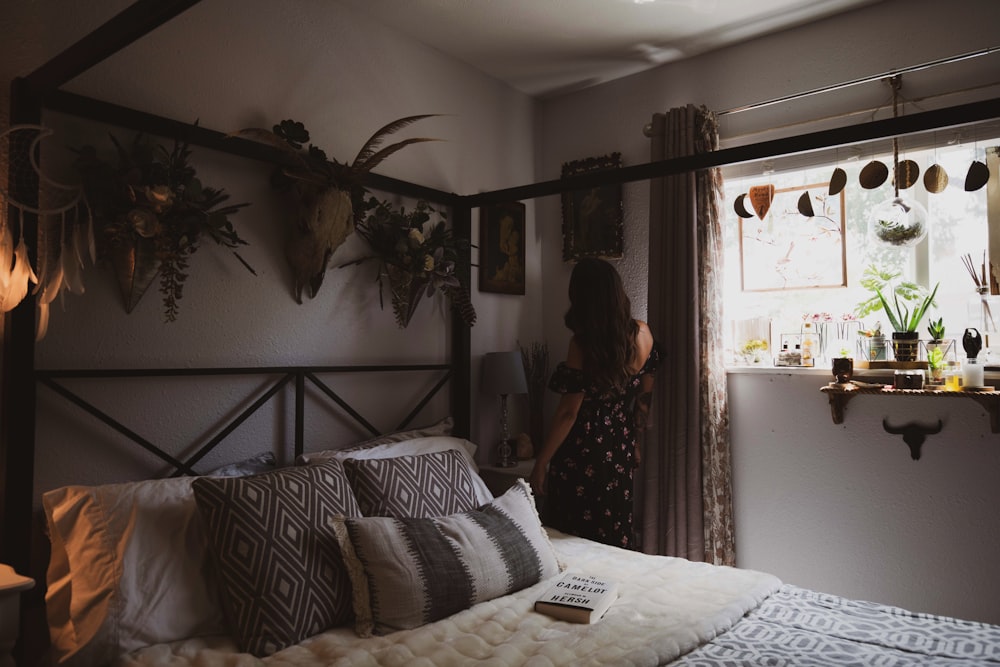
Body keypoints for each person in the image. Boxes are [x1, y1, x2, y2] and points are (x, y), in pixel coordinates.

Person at [529, 258, 660, 549]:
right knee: (613, 530)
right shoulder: (643, 333)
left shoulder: (583, 343)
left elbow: (567, 413)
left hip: (583, 448)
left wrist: (541, 462)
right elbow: (642, 400)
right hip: (619, 443)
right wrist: (635, 442)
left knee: (573, 535)